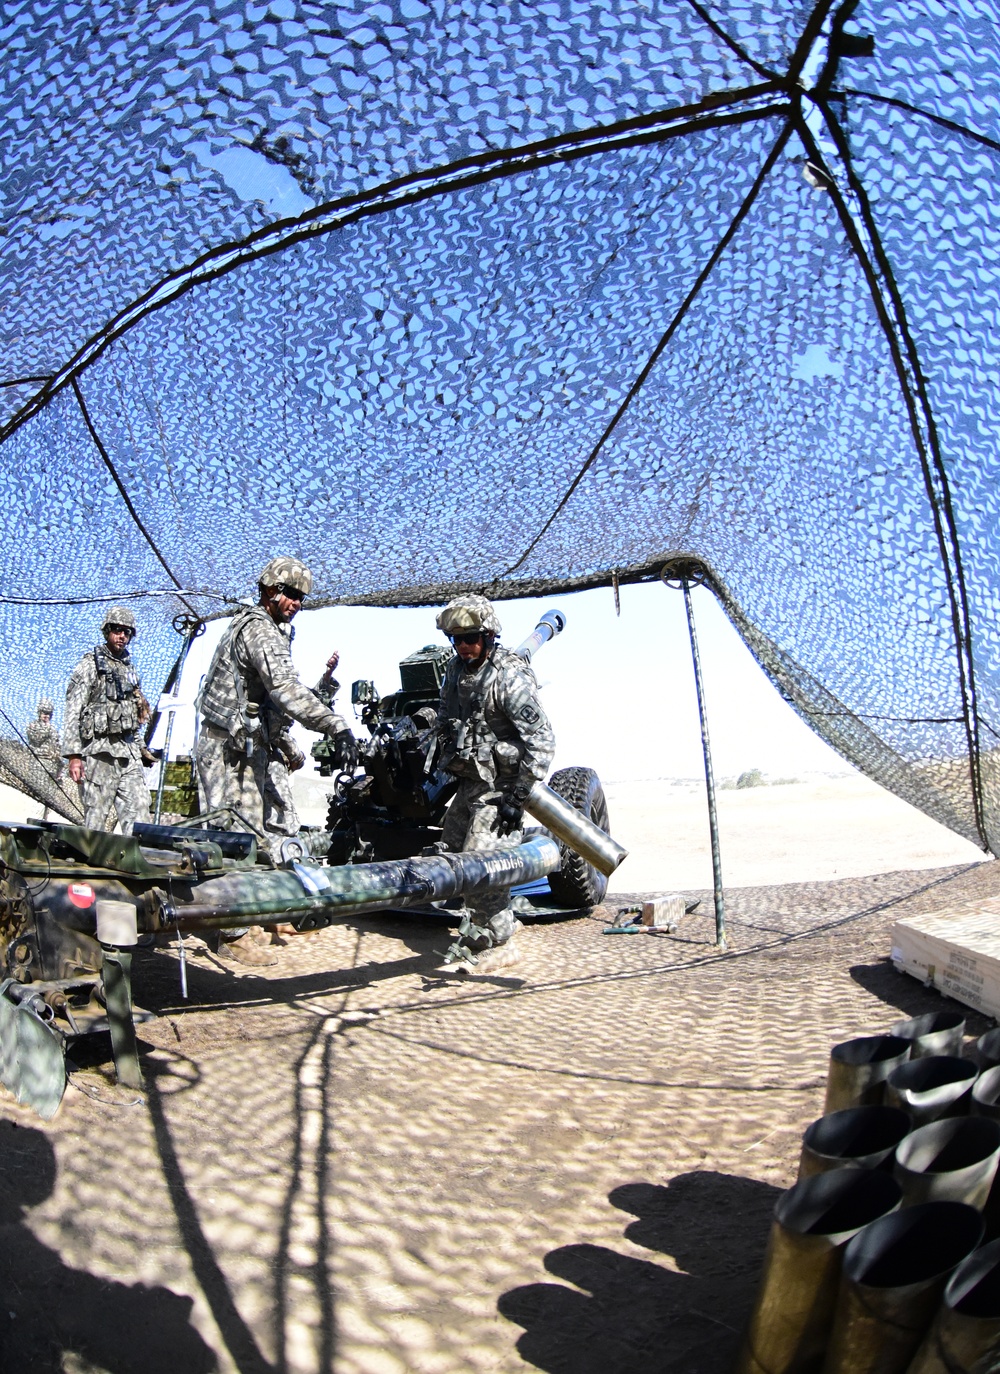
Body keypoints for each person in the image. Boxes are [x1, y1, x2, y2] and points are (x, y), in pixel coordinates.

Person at [195, 558, 357, 964]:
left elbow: (273, 702)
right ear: (269, 590)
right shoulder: (258, 631)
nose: (296, 603)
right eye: (290, 594)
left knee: (251, 835)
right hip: (223, 748)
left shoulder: (272, 630)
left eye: (301, 597)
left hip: (248, 746)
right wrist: (336, 726)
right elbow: (285, 690)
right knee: (226, 837)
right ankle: (228, 931)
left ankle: (246, 920)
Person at [435, 594, 555, 968]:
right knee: (449, 852)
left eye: (470, 639)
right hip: (471, 781)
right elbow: (445, 714)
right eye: (455, 640)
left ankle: (502, 940)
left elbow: (543, 741)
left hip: (502, 786)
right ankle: (480, 929)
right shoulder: (456, 670)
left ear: (488, 636)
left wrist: (517, 796)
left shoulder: (508, 677)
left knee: (481, 862)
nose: (462, 647)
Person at [63, 607, 152, 833]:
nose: (122, 636)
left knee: (140, 814)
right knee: (96, 821)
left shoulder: (130, 669)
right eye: (117, 630)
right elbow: (73, 710)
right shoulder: (90, 665)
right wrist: (74, 756)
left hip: (128, 754)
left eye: (127, 632)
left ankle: (136, 865)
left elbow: (133, 714)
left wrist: (141, 748)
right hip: (100, 755)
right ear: (107, 631)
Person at [26, 699, 63, 820]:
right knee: (37, 799)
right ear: (39, 712)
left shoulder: (53, 729)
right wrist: (47, 728)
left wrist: (60, 769)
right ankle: (33, 826)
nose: (46, 715)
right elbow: (36, 739)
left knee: (49, 801)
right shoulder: (33, 726)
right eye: (44, 712)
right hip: (39, 764)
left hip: (52, 767)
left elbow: (57, 749)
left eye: (48, 713)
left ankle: (43, 823)